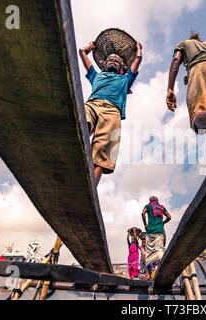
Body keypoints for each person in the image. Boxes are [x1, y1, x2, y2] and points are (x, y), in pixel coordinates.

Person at [79, 41, 142, 185]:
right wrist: (90, 47)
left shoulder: (125, 79)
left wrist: (138, 48)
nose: (113, 61)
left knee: (103, 151)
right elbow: (82, 52)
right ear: (104, 65)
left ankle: (92, 186)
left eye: (117, 61)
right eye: (110, 59)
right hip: (93, 104)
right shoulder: (95, 75)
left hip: (112, 112)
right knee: (82, 122)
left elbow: (138, 59)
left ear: (122, 67)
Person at [141, 196, 171, 279]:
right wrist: (163, 223)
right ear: (157, 201)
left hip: (150, 232)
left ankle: (147, 274)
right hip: (159, 232)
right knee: (159, 251)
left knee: (149, 252)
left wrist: (145, 224)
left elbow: (143, 213)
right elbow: (169, 217)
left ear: (150, 201)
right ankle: (161, 272)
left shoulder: (148, 206)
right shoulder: (161, 207)